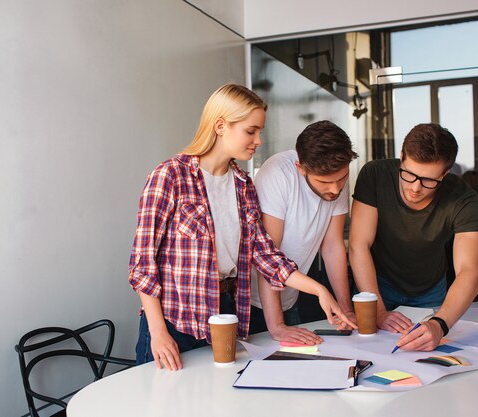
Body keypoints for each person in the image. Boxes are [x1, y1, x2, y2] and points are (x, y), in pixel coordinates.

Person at [128, 84, 353, 370]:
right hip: (173, 323)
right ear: (220, 125)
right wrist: (158, 333)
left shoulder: (242, 185)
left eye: (260, 131)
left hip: (225, 318)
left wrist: (319, 290)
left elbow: (266, 256)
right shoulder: (170, 176)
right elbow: (142, 264)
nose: (258, 140)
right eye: (251, 131)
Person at [348, 123, 478, 351]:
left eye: (429, 181)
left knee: (426, 355)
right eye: (409, 175)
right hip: (375, 285)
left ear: (445, 173)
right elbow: (358, 245)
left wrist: (440, 324)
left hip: (429, 290)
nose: (415, 188)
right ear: (401, 157)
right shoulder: (375, 174)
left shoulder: (464, 199)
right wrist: (379, 311)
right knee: (367, 352)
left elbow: (470, 270)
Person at [249, 120, 358, 345]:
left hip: (292, 296)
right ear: (301, 168)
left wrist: (345, 311)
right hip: (254, 302)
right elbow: (268, 256)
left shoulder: (335, 177)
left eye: (342, 179)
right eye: (325, 182)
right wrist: (277, 326)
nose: (336, 189)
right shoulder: (277, 173)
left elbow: (332, 246)